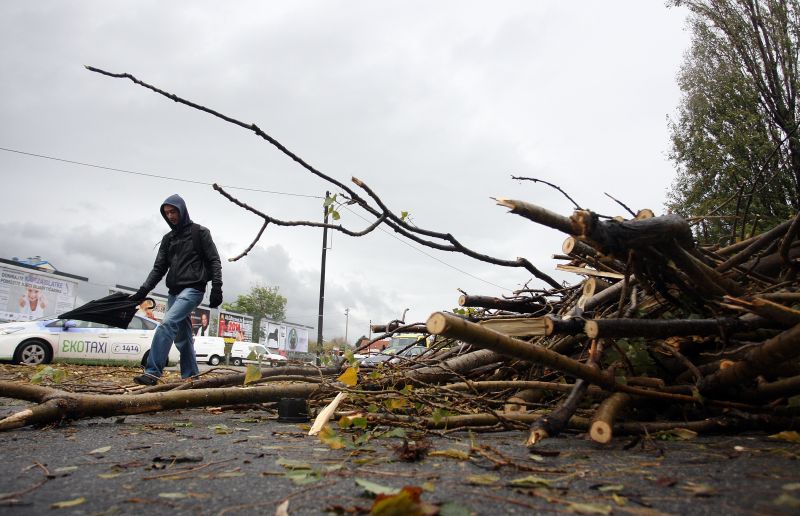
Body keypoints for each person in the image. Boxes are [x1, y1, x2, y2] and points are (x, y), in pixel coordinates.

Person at [130, 194, 223, 385]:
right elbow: (158, 269)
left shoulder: (200, 233)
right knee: (183, 338)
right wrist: (142, 292)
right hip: (174, 293)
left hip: (193, 290)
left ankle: (152, 372)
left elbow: (214, 260)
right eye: (167, 213)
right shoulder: (168, 239)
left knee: (167, 324)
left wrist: (217, 287)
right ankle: (191, 376)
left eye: (173, 211)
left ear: (182, 210)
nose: (170, 216)